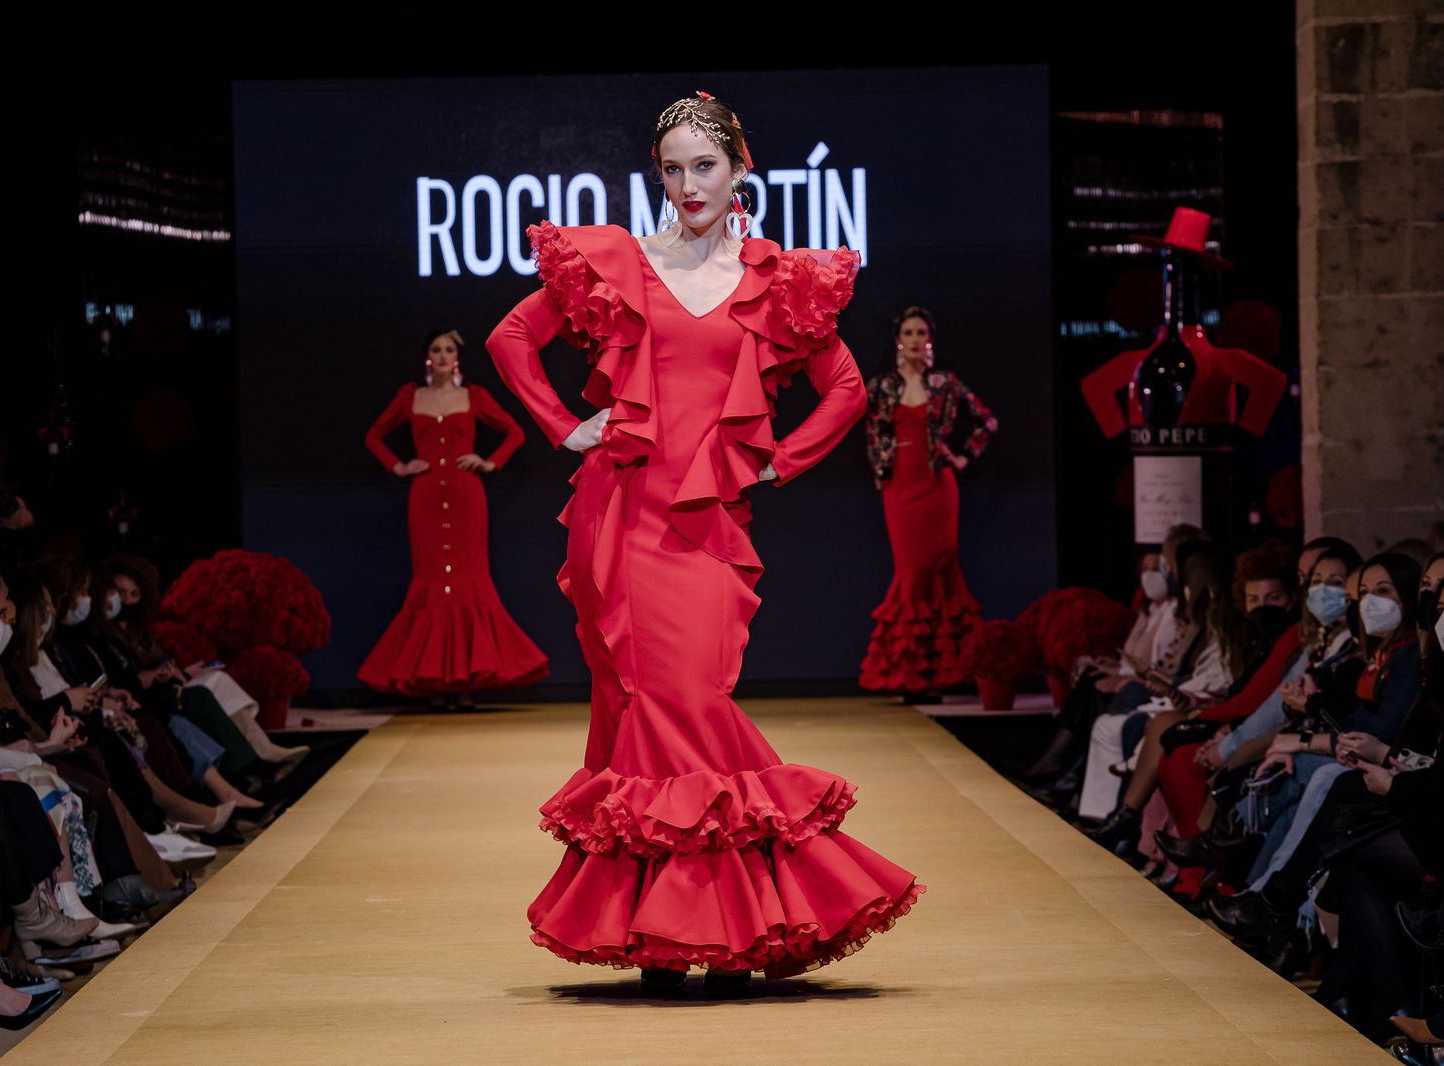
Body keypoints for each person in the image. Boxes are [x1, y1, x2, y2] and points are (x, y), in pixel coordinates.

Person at [485, 91, 923, 995]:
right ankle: (695, 927)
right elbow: (511, 337)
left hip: (713, 527)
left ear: (739, 168)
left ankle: (696, 922)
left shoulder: (775, 277)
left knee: (693, 700)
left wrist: (779, 463)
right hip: (627, 516)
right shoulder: (621, 263)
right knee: (658, 702)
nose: (687, 184)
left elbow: (844, 387)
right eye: (672, 168)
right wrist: (565, 427)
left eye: (704, 166)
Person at [359, 329, 550, 708]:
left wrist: (489, 461)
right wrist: (399, 466)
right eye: (436, 349)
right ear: (427, 356)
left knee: (468, 580)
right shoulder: (411, 397)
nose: (443, 355)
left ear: (457, 357)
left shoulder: (472, 396)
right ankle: (434, 681)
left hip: (466, 497)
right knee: (431, 580)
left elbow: (514, 432)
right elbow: (374, 436)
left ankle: (465, 682)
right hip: (426, 497)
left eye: (449, 349)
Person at [858, 305, 997, 701]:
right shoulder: (881, 387)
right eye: (910, 332)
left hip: (939, 484)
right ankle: (910, 675)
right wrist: (881, 468)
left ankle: (943, 675)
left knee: (942, 567)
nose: (916, 339)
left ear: (929, 339)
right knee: (912, 570)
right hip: (900, 486)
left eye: (922, 332)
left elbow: (987, 421)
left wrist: (964, 456)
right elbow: (866, 431)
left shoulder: (945, 383)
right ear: (899, 339)